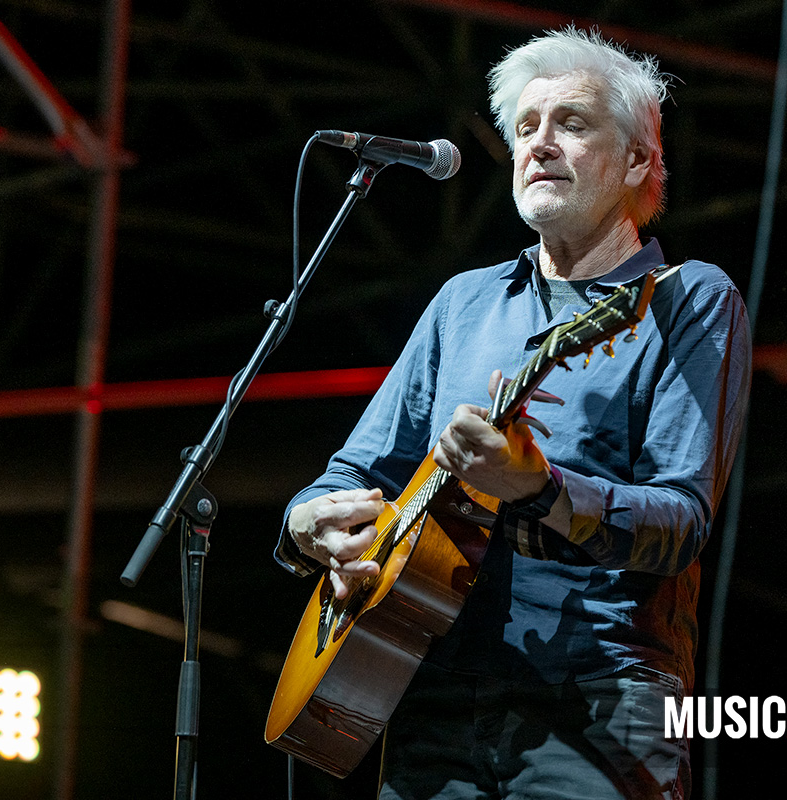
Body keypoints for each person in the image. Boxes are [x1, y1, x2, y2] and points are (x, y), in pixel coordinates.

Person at [274, 27, 751, 800]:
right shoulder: (463, 302)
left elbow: (682, 521)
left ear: (637, 160)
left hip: (601, 703)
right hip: (430, 693)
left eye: (572, 123)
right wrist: (306, 526)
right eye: (526, 128)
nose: (541, 144)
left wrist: (539, 488)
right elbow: (351, 473)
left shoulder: (688, 300)